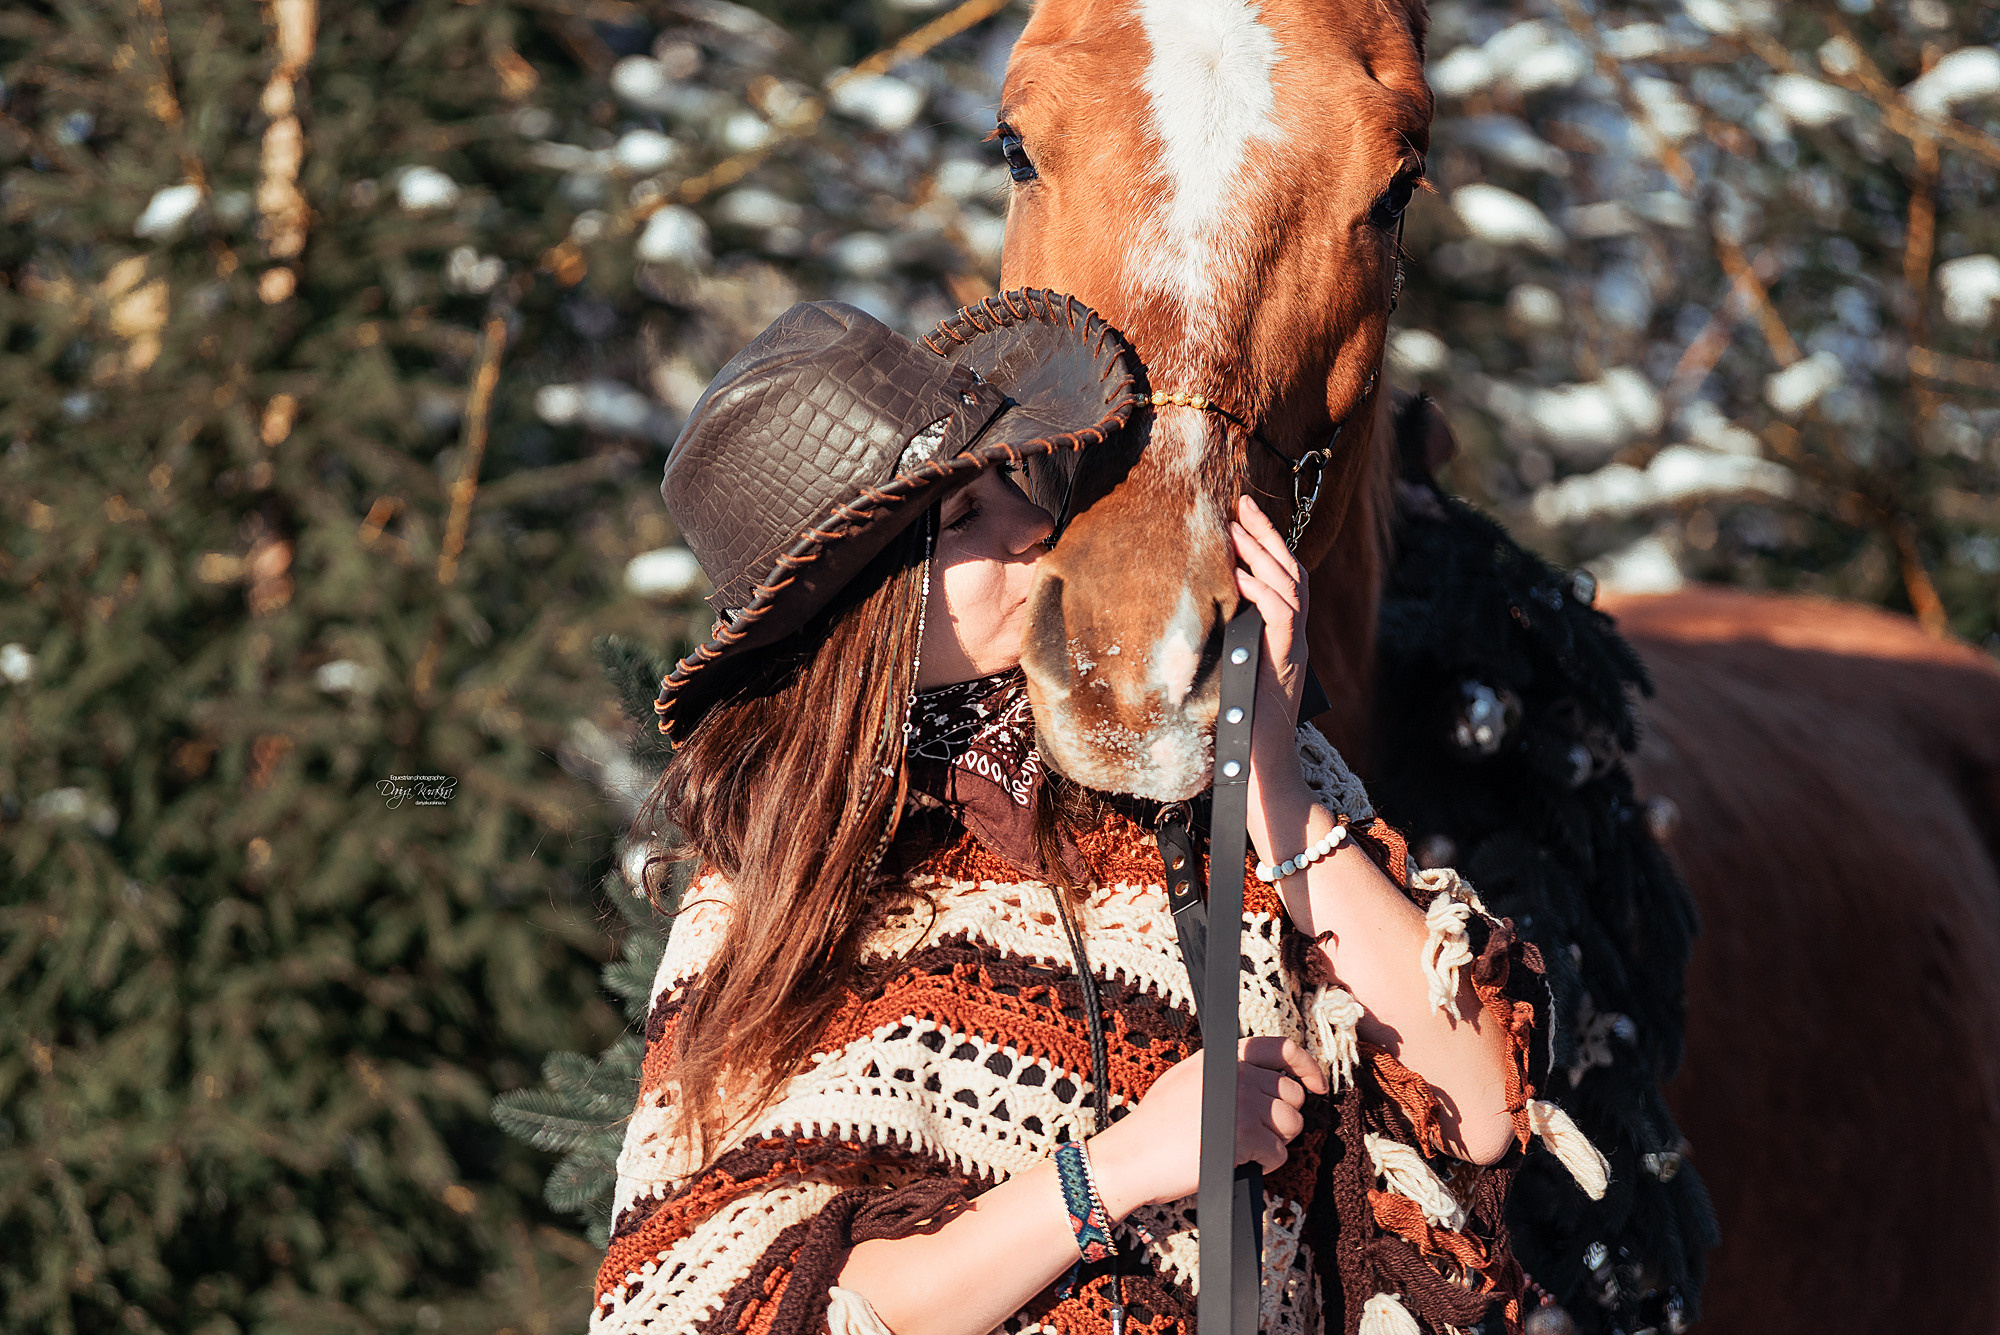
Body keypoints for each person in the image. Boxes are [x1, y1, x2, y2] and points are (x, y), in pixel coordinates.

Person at [592, 293, 1596, 1335]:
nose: (1035, 529)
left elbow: (1479, 1107)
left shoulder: (1201, 780)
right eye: (963, 521)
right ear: (858, 611)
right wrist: (1109, 1175)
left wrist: (1266, 769)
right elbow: (700, 1311)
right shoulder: (772, 889)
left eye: (1009, 488)